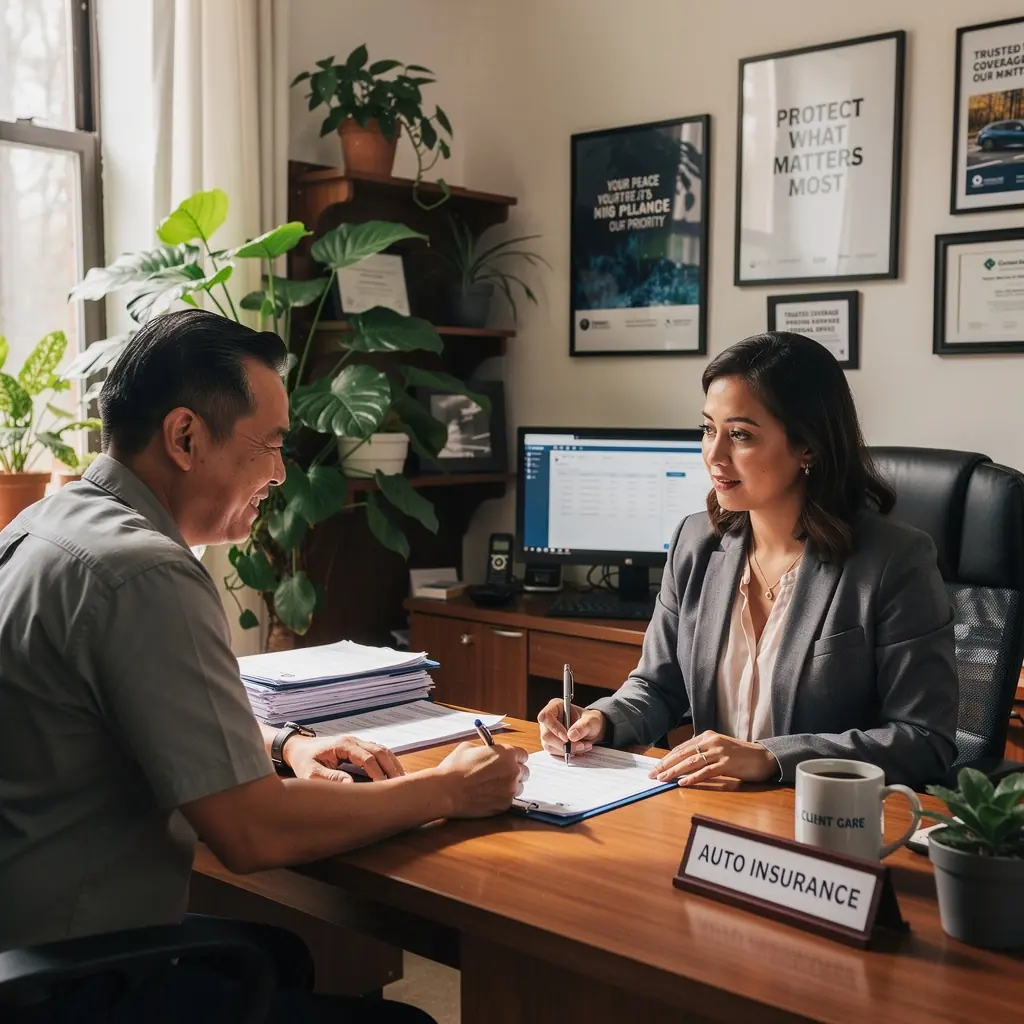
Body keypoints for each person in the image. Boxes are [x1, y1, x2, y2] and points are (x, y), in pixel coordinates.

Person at [0, 309, 528, 1022]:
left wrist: (286, 744)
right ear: (186, 436)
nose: (281, 473)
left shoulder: (45, 525)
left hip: (27, 946)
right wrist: (448, 790)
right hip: (74, 985)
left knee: (285, 955)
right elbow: (254, 834)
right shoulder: (144, 572)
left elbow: (127, 713)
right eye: (272, 444)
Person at [539, 331, 959, 789]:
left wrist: (770, 759)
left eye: (740, 435)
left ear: (809, 447)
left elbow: (923, 740)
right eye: (708, 429)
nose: (714, 455)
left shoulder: (893, 561)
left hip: (823, 821)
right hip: (709, 815)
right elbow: (659, 686)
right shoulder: (696, 541)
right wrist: (600, 720)